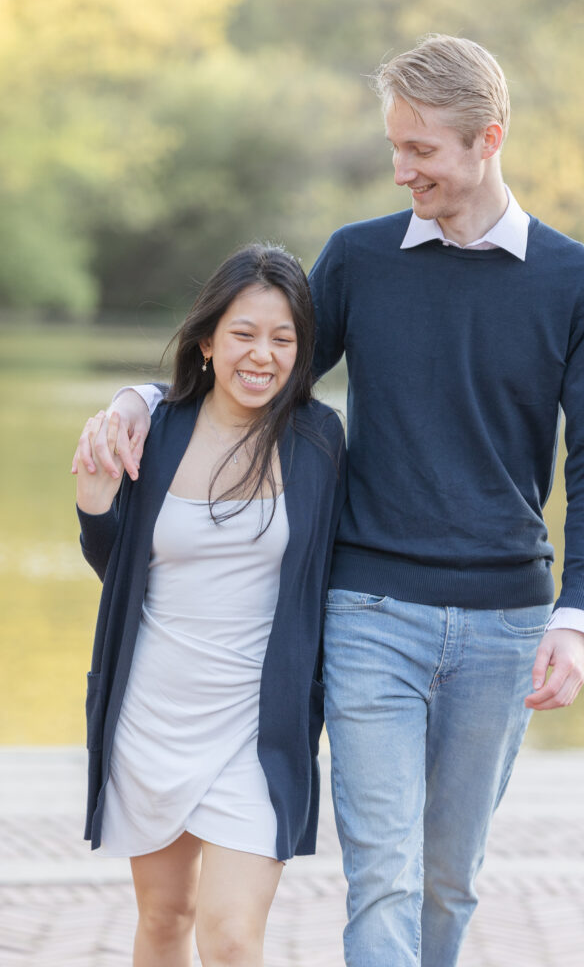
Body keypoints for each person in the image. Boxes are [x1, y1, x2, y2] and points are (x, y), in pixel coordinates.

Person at [75, 36, 584, 966]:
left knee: (448, 878)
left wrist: (578, 613)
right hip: (369, 611)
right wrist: (139, 399)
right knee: (383, 875)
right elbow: (257, 364)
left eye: (422, 151)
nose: (401, 169)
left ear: (487, 140)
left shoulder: (577, 281)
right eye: (394, 146)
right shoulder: (361, 259)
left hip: (504, 625)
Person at [74, 243, 346, 967]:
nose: (262, 355)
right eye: (243, 334)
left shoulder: (318, 442)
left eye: (283, 339)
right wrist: (94, 510)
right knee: (166, 919)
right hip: (154, 715)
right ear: (207, 341)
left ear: (302, 350)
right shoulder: (154, 432)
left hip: (257, 728)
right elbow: (122, 569)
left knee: (229, 937)